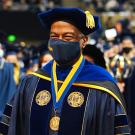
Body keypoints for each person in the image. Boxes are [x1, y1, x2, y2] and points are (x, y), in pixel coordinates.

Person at [5, 8, 130, 135]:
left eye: (67, 37)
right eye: (54, 36)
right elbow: (11, 125)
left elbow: (118, 130)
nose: (59, 41)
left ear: (83, 41)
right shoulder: (31, 82)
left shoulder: (102, 85)